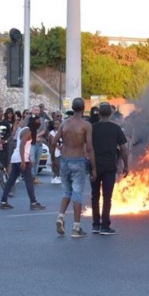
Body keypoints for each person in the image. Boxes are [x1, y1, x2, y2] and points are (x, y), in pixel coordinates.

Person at [51, 98, 97, 238]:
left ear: (72, 107)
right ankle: (76, 227)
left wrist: (53, 160)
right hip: (78, 160)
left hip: (65, 159)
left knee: (67, 191)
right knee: (77, 193)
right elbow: (89, 148)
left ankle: (60, 216)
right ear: (84, 108)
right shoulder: (86, 125)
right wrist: (94, 168)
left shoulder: (65, 123)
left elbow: (53, 142)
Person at [91, 102, 129, 235]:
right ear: (111, 114)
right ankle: (105, 225)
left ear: (99, 114)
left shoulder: (92, 128)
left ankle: (96, 224)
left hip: (94, 166)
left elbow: (87, 147)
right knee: (107, 197)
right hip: (109, 167)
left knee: (95, 196)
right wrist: (126, 165)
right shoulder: (116, 128)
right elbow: (124, 148)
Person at [0, 115, 46, 211]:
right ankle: (33, 202)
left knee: (11, 181)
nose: (39, 123)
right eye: (37, 121)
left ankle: (3, 201)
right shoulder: (28, 131)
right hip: (21, 158)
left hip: (17, 158)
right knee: (29, 181)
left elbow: (24, 146)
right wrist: (24, 161)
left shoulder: (24, 130)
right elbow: (22, 146)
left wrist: (28, 158)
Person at [49, 119, 63, 184]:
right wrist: (58, 147)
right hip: (55, 150)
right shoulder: (52, 133)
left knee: (60, 164)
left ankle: (58, 175)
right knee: (56, 163)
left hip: (62, 150)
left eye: (58, 124)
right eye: (56, 124)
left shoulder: (63, 131)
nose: (57, 125)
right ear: (54, 125)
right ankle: (55, 176)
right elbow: (52, 142)